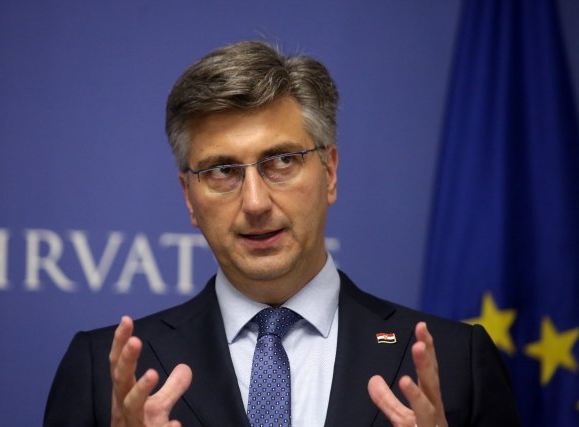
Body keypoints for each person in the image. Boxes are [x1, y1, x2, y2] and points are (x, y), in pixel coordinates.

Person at [44, 41, 521, 427]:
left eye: (282, 161)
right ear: (189, 197)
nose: (255, 203)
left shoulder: (456, 362)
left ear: (330, 172)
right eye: (222, 170)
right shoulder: (103, 374)